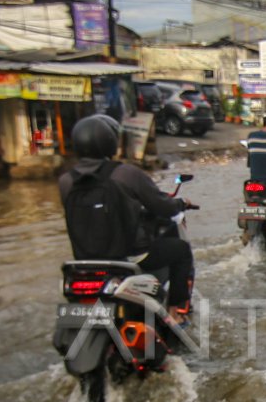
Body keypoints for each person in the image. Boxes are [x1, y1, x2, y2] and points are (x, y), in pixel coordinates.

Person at [58, 114, 195, 317]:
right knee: (181, 250)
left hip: (84, 263)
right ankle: (177, 309)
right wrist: (180, 203)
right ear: (109, 142)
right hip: (129, 257)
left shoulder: (66, 181)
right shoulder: (126, 174)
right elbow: (163, 206)